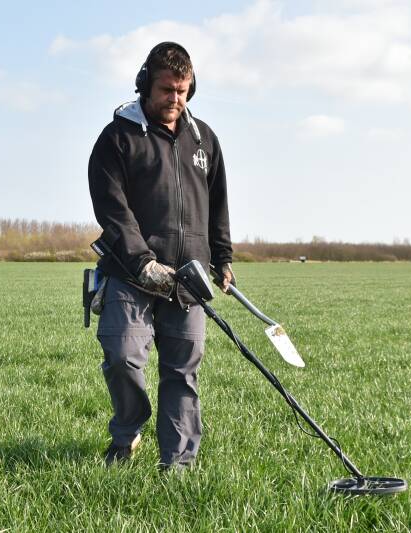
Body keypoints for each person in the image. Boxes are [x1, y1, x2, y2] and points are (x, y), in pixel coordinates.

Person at [88, 42, 234, 470]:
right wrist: (141, 263)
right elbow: (113, 210)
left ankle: (179, 465)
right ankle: (128, 431)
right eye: (167, 89)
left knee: (182, 373)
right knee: (121, 356)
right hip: (130, 274)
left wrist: (221, 258)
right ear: (145, 85)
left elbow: (218, 204)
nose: (176, 99)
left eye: (184, 91)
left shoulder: (204, 139)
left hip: (188, 280)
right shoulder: (117, 138)